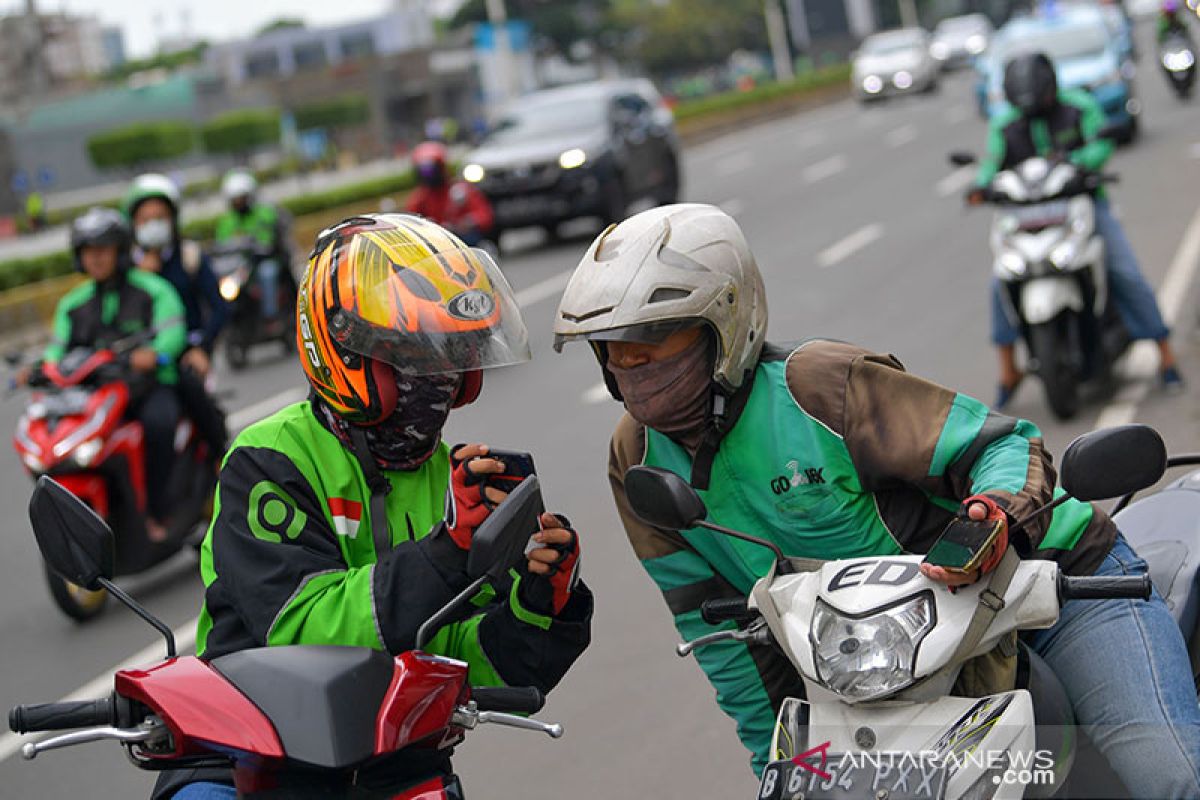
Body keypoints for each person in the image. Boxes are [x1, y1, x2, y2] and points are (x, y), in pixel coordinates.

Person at [553, 203, 1200, 795]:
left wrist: (995, 518)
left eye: (654, 340)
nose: (631, 365)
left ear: (723, 323)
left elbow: (1008, 446)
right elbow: (718, 631)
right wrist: (777, 767)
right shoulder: (633, 459)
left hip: (1054, 588)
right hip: (903, 663)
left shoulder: (821, 389)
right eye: (614, 348)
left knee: (1161, 776)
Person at [160, 214, 592, 799]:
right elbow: (303, 633)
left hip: (395, 763)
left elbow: (457, 663)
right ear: (343, 352)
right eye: (416, 358)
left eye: (452, 357)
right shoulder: (268, 460)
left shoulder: (452, 478)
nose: (441, 380)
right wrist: (448, 553)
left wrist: (538, 608)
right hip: (250, 755)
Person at [967, 53, 1183, 408]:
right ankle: (1008, 370)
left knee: (1124, 271)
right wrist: (981, 187)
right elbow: (991, 163)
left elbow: (1101, 143)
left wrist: (1081, 165)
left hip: (1082, 206)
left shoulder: (1079, 107)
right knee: (1000, 283)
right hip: (1026, 216)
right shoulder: (1004, 124)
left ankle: (1165, 353)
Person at [32, 207, 187, 542]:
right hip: (96, 397)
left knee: (159, 425)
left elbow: (173, 333)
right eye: (88, 251)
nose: (95, 259)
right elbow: (55, 351)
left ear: (119, 251)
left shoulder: (152, 289)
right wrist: (45, 369)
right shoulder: (72, 305)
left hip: (148, 387)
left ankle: (159, 511)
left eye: (103, 250)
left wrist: (156, 354)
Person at [125, 173, 230, 461]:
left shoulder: (189, 257)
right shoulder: (127, 270)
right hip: (138, 358)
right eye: (145, 219)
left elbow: (219, 308)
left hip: (185, 353)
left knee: (194, 393)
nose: (153, 225)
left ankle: (221, 460)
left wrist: (202, 348)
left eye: (160, 217)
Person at [214, 168, 292, 324]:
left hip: (264, 261)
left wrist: (263, 246)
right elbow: (221, 245)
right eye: (235, 199)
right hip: (240, 266)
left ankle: (271, 316)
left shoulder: (265, 213)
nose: (238, 203)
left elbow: (270, 238)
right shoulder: (226, 221)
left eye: (241, 198)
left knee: (267, 273)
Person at [405, 141, 495, 247]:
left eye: (431, 170)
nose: (428, 175)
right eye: (424, 171)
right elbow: (410, 224)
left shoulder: (459, 190)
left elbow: (485, 215)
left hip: (464, 243)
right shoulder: (420, 198)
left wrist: (469, 222)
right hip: (438, 245)